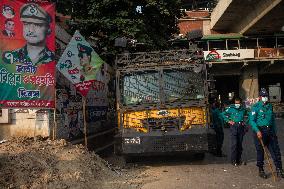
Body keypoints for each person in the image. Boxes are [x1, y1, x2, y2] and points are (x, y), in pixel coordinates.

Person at [249, 88, 284, 179]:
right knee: (260, 151)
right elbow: (252, 121)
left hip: (270, 131)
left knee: (275, 150)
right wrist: (257, 130)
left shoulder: (270, 106)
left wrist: (275, 132)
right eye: (263, 96)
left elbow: (272, 120)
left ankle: (279, 169)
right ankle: (261, 170)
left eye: (266, 96)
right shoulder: (255, 107)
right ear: (260, 97)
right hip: (260, 131)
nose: (265, 98)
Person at [222, 97, 247, 166]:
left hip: (241, 127)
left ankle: (238, 159)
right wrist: (228, 121)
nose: (237, 104)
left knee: (239, 145)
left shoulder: (243, 109)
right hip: (234, 127)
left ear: (241, 103)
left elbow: (249, 115)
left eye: (238, 103)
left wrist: (245, 122)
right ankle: (233, 160)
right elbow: (223, 114)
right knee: (234, 144)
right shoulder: (231, 108)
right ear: (234, 103)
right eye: (236, 103)